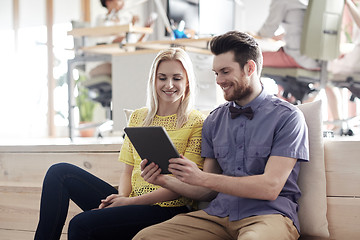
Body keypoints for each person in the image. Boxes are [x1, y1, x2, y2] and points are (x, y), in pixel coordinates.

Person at [135, 31, 309, 240]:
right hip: (217, 216)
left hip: (268, 215)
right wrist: (163, 180)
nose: (219, 80)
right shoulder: (214, 120)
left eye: (225, 72)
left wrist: (202, 178)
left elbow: (270, 187)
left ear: (250, 68)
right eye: (216, 73)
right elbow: (205, 192)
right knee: (146, 237)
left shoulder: (288, 118)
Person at [34, 48, 206, 240]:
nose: (169, 84)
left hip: (167, 209)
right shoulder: (139, 117)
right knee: (59, 172)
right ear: (153, 80)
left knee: (80, 224)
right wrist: (122, 197)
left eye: (177, 78)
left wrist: (129, 203)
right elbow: (127, 171)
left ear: (187, 81)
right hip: (131, 200)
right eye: (162, 77)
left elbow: (186, 185)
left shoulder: (196, 122)